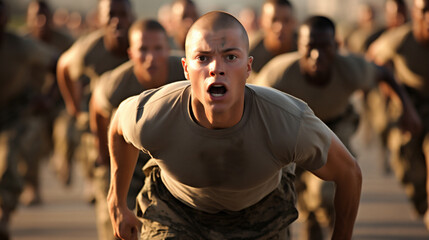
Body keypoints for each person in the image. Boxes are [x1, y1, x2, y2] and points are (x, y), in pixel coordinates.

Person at [107, 11, 362, 240]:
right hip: (176, 208)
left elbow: (348, 173)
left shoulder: (287, 121)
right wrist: (116, 201)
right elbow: (119, 125)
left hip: (262, 212)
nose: (216, 68)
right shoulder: (155, 114)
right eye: (203, 58)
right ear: (186, 69)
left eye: (230, 57)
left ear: (248, 67)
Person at [253, 15, 421, 239]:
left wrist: (407, 109)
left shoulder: (351, 67)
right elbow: (251, 101)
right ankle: (310, 214)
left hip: (335, 126)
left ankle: (325, 215)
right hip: (292, 130)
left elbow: (384, 73)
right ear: (299, 46)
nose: (317, 56)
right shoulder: (278, 74)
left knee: (328, 187)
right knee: (294, 186)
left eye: (325, 48)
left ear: (336, 46)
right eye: (310, 48)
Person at [88, 19, 185, 236]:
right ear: (131, 53)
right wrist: (103, 153)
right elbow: (96, 106)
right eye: (143, 50)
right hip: (126, 156)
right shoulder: (117, 83)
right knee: (118, 226)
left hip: (167, 159)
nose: (151, 57)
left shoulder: (185, 71)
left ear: (168, 49)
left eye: (158, 48)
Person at [56, 0, 134, 239]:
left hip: (135, 129)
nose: (117, 20)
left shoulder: (144, 43)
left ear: (132, 16)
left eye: (122, 14)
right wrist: (73, 107)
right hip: (99, 127)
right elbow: (62, 67)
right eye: (110, 15)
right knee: (107, 188)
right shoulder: (89, 49)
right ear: (99, 19)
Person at [367, 0, 429, 229]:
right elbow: (374, 62)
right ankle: (420, 200)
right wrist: (400, 101)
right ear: (416, 13)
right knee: (406, 163)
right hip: (407, 101)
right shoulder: (400, 39)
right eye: (425, 11)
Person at [0, 0, 58, 238]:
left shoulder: (22, 46)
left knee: (7, 158)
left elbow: (58, 64)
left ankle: (3, 214)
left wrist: (48, 98)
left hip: (14, 113)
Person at [247, 0, 297, 82]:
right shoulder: (249, 55)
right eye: (274, 20)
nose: (280, 27)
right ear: (261, 22)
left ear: (294, 23)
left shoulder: (305, 50)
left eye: (286, 20)